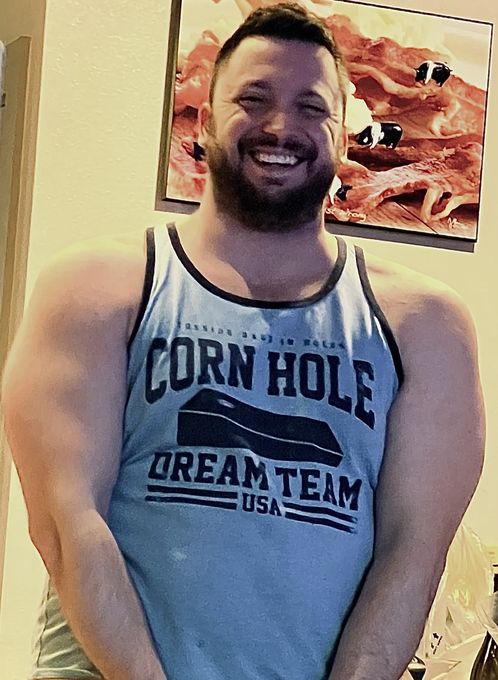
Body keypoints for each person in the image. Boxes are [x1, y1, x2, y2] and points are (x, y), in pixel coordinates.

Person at [0, 4, 485, 680]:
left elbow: (413, 554)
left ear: (345, 138)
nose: (281, 126)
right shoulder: (95, 290)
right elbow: (67, 526)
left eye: (312, 107)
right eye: (253, 99)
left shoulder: (426, 326)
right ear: (202, 121)